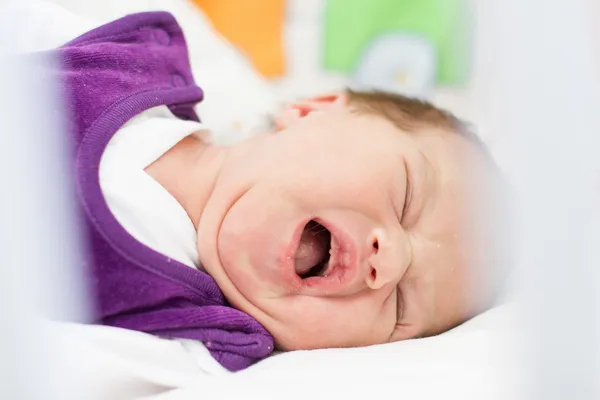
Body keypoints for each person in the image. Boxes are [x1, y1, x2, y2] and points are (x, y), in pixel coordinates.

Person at [39, 11, 509, 371]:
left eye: (401, 307)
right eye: (407, 195)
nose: (390, 262)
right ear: (313, 109)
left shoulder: (190, 343)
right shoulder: (130, 58)